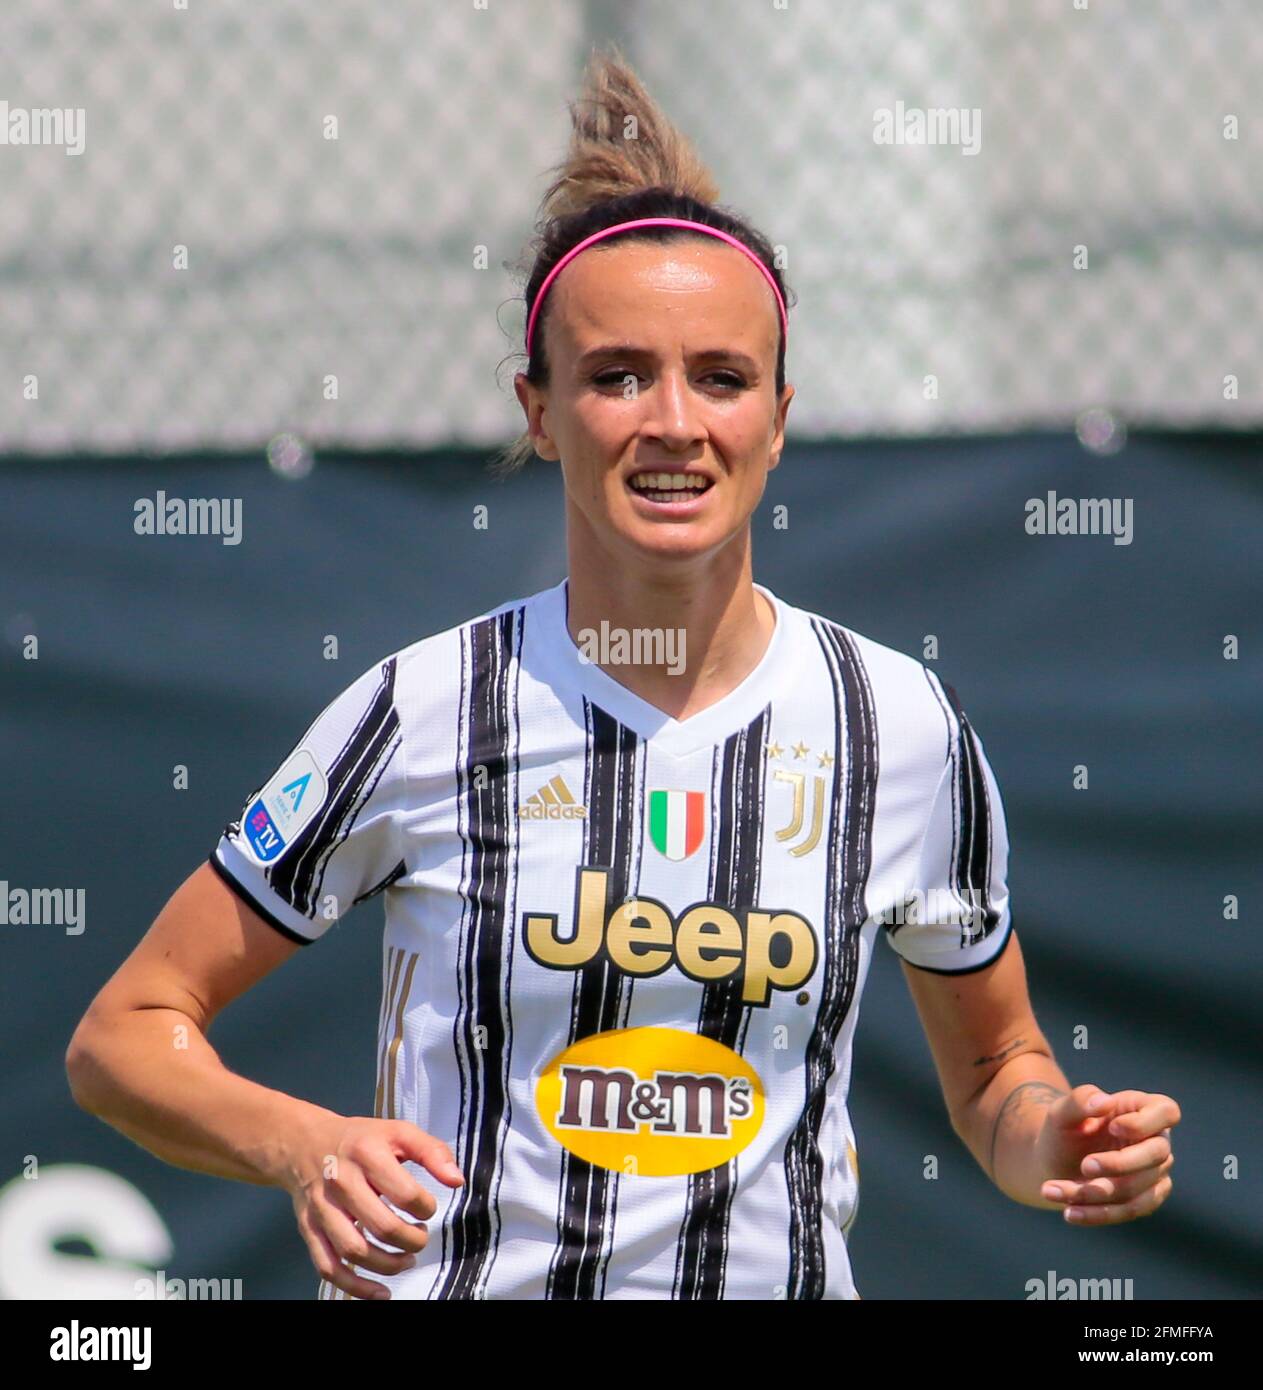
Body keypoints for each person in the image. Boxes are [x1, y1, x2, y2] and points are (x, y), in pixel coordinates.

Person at [66, 47, 1179, 1301]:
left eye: (721, 377)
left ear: (777, 416)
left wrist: (1062, 1144)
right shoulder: (424, 707)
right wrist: (306, 1147)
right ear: (539, 413)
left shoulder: (899, 724)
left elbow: (994, 1076)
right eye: (615, 376)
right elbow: (125, 1035)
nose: (673, 421)